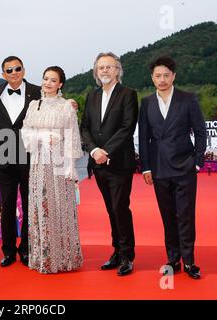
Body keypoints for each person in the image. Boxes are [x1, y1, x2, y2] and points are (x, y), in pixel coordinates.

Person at [138, 56, 207, 279]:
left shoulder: (187, 99)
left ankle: (189, 261)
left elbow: (200, 131)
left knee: (186, 215)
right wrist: (146, 167)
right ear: (152, 78)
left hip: (184, 167)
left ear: (174, 76)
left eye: (166, 75)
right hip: (158, 169)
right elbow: (145, 137)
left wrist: (197, 162)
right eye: (158, 75)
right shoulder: (147, 103)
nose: (162, 79)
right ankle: (172, 259)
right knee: (167, 216)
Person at [80, 52, 138, 276]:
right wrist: (94, 150)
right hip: (98, 163)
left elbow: (127, 126)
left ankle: (127, 256)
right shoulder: (91, 96)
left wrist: (106, 151)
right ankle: (116, 251)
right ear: (96, 71)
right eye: (100, 67)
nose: (104, 71)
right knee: (110, 209)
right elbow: (84, 126)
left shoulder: (128, 94)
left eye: (109, 67)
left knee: (120, 208)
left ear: (118, 70)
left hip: (119, 162)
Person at [21, 66, 83, 274]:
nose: (47, 83)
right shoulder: (33, 105)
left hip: (60, 161)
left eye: (53, 80)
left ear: (60, 84)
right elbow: (25, 130)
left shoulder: (67, 106)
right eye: (45, 79)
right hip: (38, 161)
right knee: (41, 206)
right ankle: (43, 257)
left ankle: (64, 258)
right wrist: (39, 137)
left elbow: (73, 135)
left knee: (61, 206)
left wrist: (71, 167)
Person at [0, 56, 41, 267]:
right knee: (7, 205)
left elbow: (52, 106)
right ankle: (8, 251)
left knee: (29, 205)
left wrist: (69, 103)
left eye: (17, 68)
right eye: (9, 70)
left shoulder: (38, 92)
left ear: (24, 70)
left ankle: (26, 249)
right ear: (3, 74)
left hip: (30, 155)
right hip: (4, 155)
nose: (14, 72)